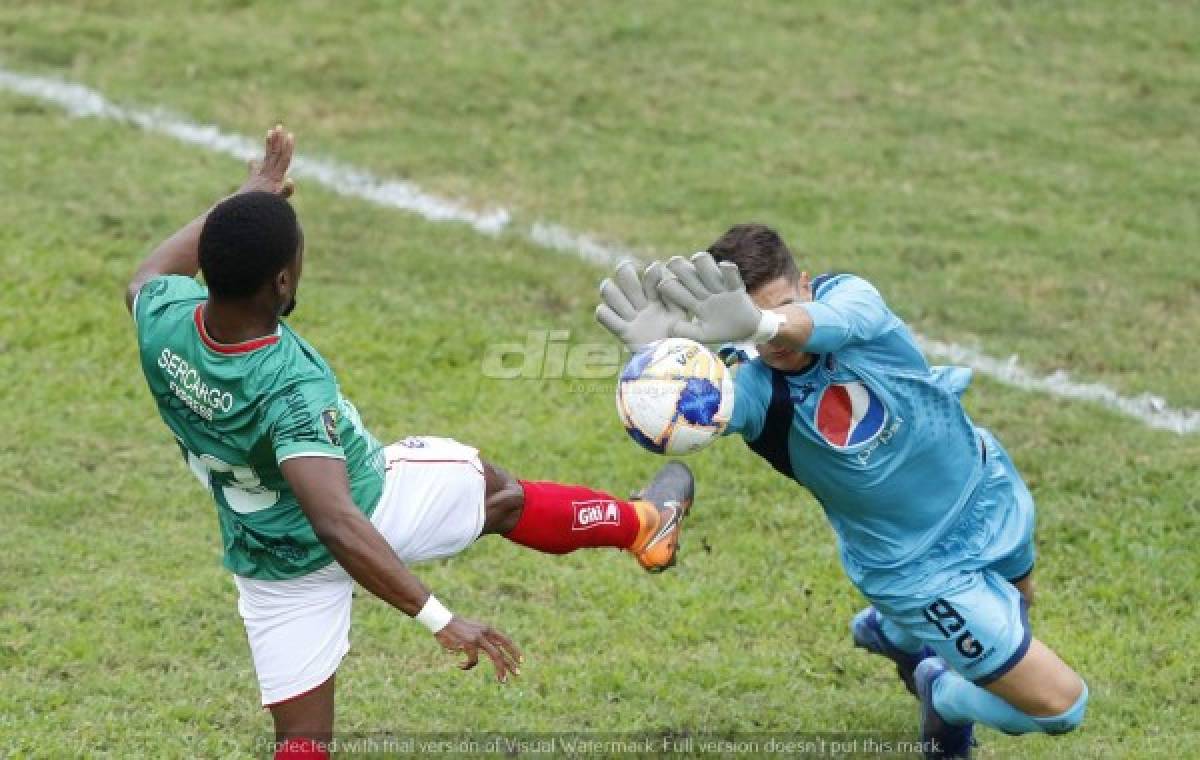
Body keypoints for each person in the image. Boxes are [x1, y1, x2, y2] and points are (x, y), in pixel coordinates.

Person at [126, 125, 694, 760]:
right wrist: (440, 618)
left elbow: (149, 270)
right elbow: (338, 521)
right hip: (376, 508)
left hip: (269, 560)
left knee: (303, 744)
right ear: (282, 283)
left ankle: (643, 527)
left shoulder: (163, 322)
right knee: (498, 493)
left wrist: (247, 195)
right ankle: (642, 524)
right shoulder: (291, 386)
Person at [595, 224, 1087, 759]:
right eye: (755, 330)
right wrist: (658, 364)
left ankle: (894, 635)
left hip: (989, 489)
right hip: (916, 569)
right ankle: (942, 695)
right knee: (1061, 706)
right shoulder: (757, 393)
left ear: (805, 284)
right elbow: (699, 412)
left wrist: (763, 321)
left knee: (1019, 603)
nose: (775, 340)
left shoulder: (852, 299)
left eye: (782, 308)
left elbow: (838, 320)